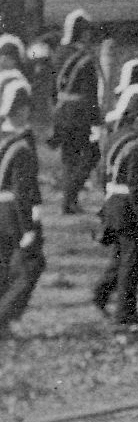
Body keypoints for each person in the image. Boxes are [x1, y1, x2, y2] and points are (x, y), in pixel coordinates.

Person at [92, 71, 138, 327]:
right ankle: (125, 312)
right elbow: (136, 186)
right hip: (127, 208)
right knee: (131, 260)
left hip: (112, 204)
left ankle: (101, 293)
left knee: (119, 255)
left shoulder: (116, 137)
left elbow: (102, 174)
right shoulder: (137, 146)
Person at [0, 66, 43, 338]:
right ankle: (3, 316)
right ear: (20, 109)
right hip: (14, 212)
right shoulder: (22, 147)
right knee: (31, 264)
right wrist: (28, 227)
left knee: (4, 266)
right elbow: (23, 192)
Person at [49, 10, 104, 215]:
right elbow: (90, 94)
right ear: (82, 33)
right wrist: (96, 121)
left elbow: (53, 91)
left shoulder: (58, 54)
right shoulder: (85, 60)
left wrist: (57, 111)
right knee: (91, 154)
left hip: (61, 113)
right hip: (80, 115)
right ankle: (70, 197)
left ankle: (68, 202)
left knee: (69, 158)